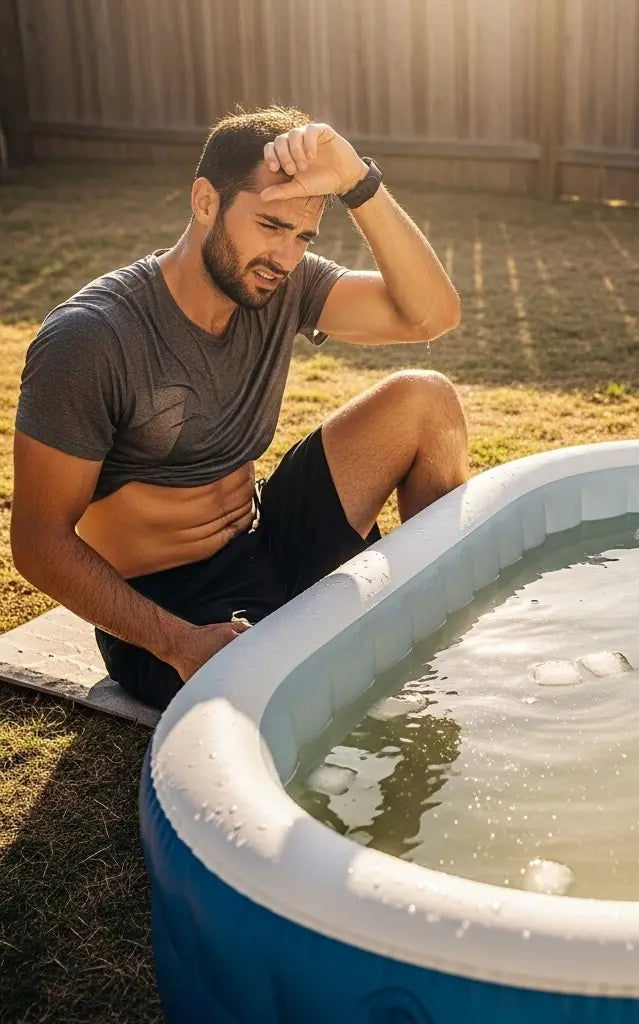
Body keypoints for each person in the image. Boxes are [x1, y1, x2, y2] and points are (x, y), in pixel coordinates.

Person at [11, 106, 468, 712]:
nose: (285, 256)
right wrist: (178, 643)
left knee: (425, 400)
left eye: (302, 236)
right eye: (271, 225)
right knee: (314, 695)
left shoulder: (282, 285)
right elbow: (38, 541)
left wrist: (360, 183)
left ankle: (446, 618)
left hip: (267, 540)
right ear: (205, 201)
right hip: (174, 608)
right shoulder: (92, 339)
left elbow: (431, 316)